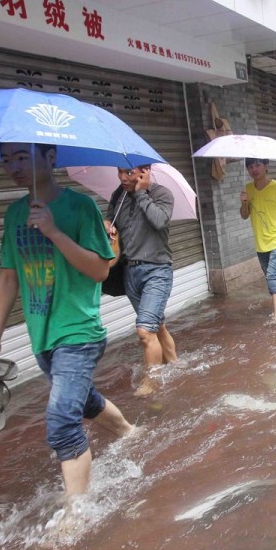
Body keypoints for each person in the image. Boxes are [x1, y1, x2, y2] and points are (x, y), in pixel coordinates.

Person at [0, 143, 134, 503]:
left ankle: (75, 516)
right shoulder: (15, 213)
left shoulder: (80, 208)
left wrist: (53, 232)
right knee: (83, 401)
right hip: (42, 334)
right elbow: (8, 277)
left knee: (63, 420)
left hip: (79, 332)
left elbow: (99, 270)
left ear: (50, 158)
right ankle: (128, 431)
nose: (13, 166)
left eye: (21, 157)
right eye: (6, 160)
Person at [106, 165, 177, 397]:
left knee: (145, 331)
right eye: (120, 171)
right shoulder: (118, 195)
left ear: (145, 172)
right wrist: (108, 226)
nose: (123, 177)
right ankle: (176, 365)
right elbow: (110, 221)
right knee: (157, 325)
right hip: (129, 272)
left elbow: (159, 221)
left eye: (129, 172)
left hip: (156, 271)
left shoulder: (162, 194)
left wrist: (141, 193)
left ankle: (152, 385)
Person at [239, 158, 276, 320]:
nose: (254, 169)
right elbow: (245, 216)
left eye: (258, 165)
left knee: (272, 277)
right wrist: (244, 203)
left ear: (266, 167)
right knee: (271, 276)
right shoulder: (248, 189)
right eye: (250, 166)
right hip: (261, 243)